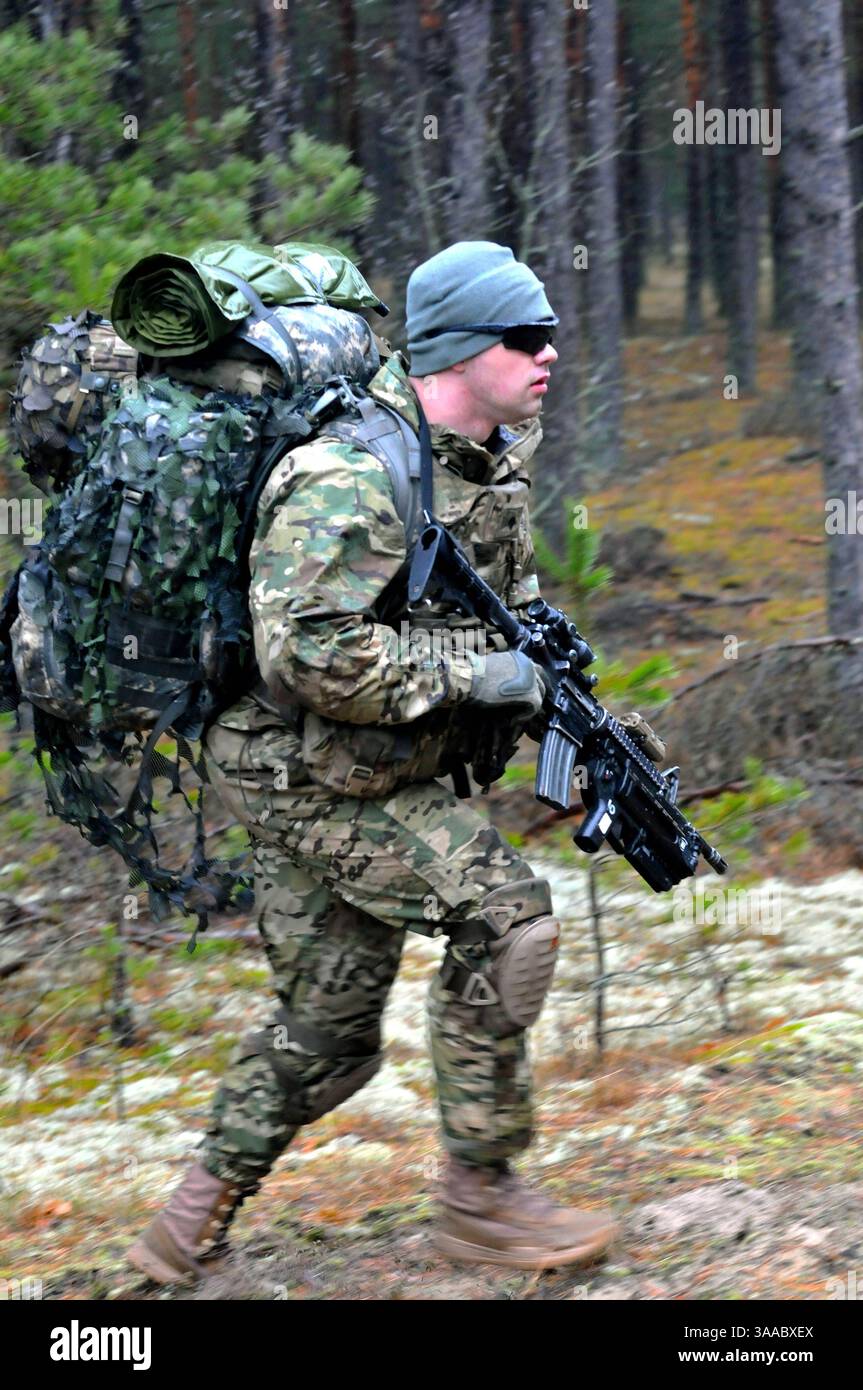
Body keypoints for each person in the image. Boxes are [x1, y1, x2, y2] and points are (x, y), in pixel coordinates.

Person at [127, 240, 620, 1284]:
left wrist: (587, 723)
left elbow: (509, 621)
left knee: (332, 1030)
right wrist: (475, 681)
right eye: (523, 336)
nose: (548, 354)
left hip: (363, 757)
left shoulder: (488, 463)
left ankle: (183, 1225)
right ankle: (480, 1196)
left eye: (553, 335)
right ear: (454, 349)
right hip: (295, 765)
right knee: (509, 922)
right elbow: (306, 651)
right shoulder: (348, 473)